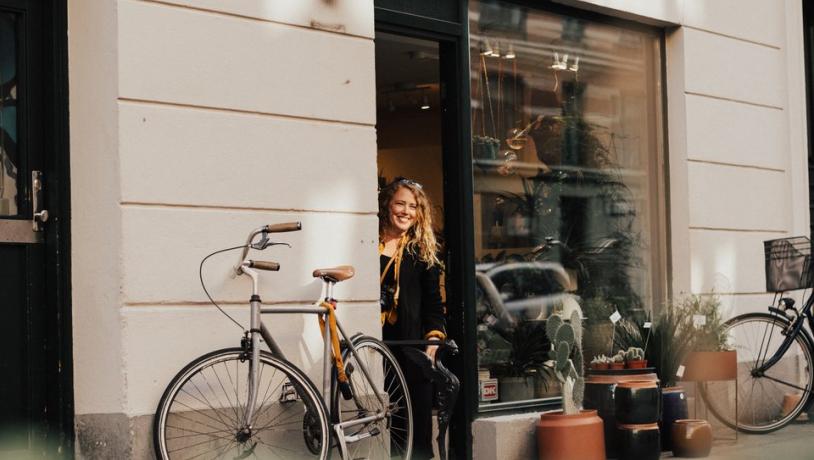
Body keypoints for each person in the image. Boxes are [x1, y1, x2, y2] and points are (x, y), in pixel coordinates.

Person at [378, 177, 445, 460]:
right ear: (387, 205)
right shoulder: (371, 241)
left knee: (415, 415)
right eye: (400, 204)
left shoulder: (422, 250)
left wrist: (433, 337)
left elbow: (433, 302)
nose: (405, 211)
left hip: (411, 341)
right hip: (377, 342)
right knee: (385, 413)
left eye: (412, 206)